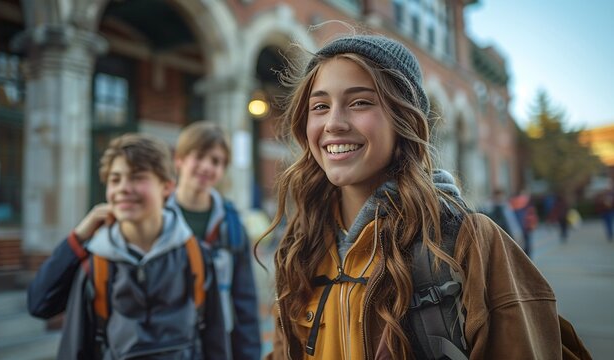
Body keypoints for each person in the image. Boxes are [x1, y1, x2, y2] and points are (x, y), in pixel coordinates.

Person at [262, 32, 563, 358]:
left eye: (360, 102)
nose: (333, 123)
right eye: (319, 106)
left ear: (403, 118)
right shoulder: (299, 248)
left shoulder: (467, 242)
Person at [27, 133, 228, 359]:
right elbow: (40, 305)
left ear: (167, 187)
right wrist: (79, 237)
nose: (123, 187)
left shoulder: (196, 257)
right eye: (115, 179)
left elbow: (215, 342)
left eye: (137, 177)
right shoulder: (96, 264)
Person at [165, 121, 261, 360]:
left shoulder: (231, 223)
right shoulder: (158, 218)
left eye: (216, 161)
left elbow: (245, 299)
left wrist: (248, 353)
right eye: (199, 157)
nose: (207, 167)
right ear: (180, 159)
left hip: (219, 343)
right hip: (166, 342)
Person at [510, 189, 539, 256]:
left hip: (516, 228)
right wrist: (533, 224)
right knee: (527, 243)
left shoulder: (511, 203)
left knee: (518, 243)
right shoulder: (527, 203)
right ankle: (527, 257)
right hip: (526, 227)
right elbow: (532, 216)